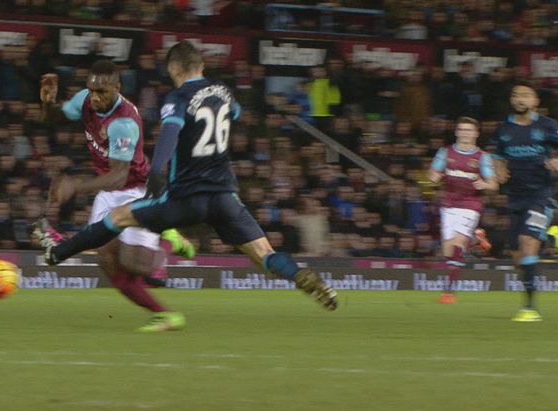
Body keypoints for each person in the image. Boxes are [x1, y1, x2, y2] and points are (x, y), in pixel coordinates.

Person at [35, 41, 338, 332]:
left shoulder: (177, 99)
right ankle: (299, 274)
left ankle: (57, 253)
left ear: (173, 69)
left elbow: (169, 136)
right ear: (201, 64)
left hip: (185, 197)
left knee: (116, 219)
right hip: (224, 197)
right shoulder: (225, 93)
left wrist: (156, 172)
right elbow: (234, 114)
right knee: (265, 255)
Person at [35, 60, 195, 331]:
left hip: (138, 190)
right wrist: (48, 103)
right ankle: (166, 315)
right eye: (93, 91)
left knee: (138, 268)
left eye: (102, 93)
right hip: (110, 192)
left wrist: (75, 187)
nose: (96, 98)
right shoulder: (85, 99)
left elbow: (120, 175)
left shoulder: (124, 122)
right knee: (108, 263)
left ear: (117, 88)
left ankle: (168, 238)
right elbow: (55, 118)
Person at [491, 83, 558, 322]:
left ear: (535, 101)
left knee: (526, 241)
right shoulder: (503, 129)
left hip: (541, 194)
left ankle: (529, 308)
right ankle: (551, 236)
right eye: (515, 95)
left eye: (525, 95)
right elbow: (498, 156)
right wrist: (499, 170)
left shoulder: (547, 126)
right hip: (515, 197)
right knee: (517, 255)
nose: (519, 98)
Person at [427, 116, 498, 304]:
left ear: (476, 133)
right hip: (448, 205)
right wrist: (434, 176)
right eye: (462, 129)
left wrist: (485, 184)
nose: (465, 133)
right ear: (457, 132)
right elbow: (433, 172)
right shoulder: (445, 152)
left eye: (469, 130)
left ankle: (448, 293)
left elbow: (493, 184)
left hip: (470, 205)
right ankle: (475, 239)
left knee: (457, 246)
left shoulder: (482, 157)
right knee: (448, 252)